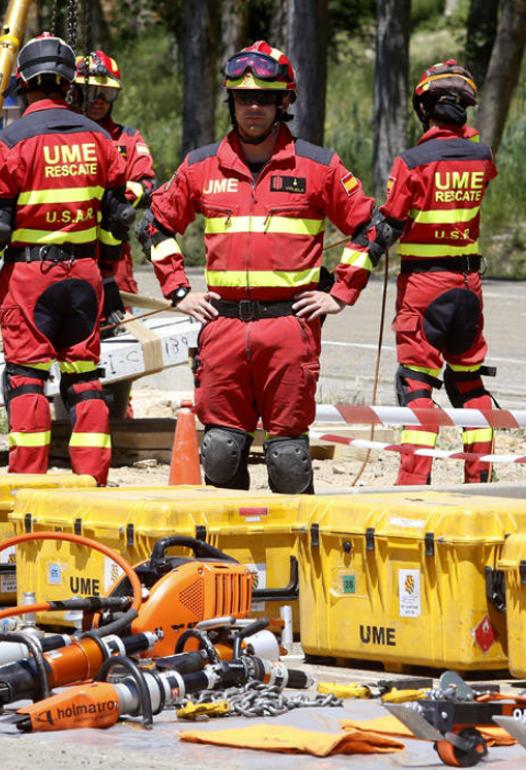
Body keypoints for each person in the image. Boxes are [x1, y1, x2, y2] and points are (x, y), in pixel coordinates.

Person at [143, 41, 388, 493]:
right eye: (242, 98)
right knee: (219, 451)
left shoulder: (318, 167)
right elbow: (154, 226)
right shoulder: (200, 166)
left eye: (264, 98)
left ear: (284, 103)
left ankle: (294, 559)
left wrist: (340, 292)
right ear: (230, 102)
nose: (252, 107)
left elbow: (372, 228)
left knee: (289, 459)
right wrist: (179, 290)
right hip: (223, 328)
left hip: (289, 329)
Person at [0, 33, 134, 486]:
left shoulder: (14, 139)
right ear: (69, 85)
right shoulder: (100, 138)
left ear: (23, 85)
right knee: (85, 378)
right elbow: (116, 219)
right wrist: (106, 276)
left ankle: (28, 483)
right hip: (84, 277)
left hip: (30, 278)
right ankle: (92, 482)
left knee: (25, 378)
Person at [376, 60, 498, 486]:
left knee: (416, 385)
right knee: (468, 383)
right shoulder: (483, 155)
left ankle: (413, 483)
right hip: (468, 285)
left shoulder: (412, 160)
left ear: (423, 108)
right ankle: (479, 478)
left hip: (424, 286)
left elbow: (390, 223)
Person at [70, 50, 157, 418]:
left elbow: (147, 183)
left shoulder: (129, 139)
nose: (99, 102)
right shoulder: (65, 133)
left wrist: (121, 199)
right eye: (91, 94)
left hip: (115, 254)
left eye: (107, 95)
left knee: (118, 326)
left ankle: (122, 403)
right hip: (72, 247)